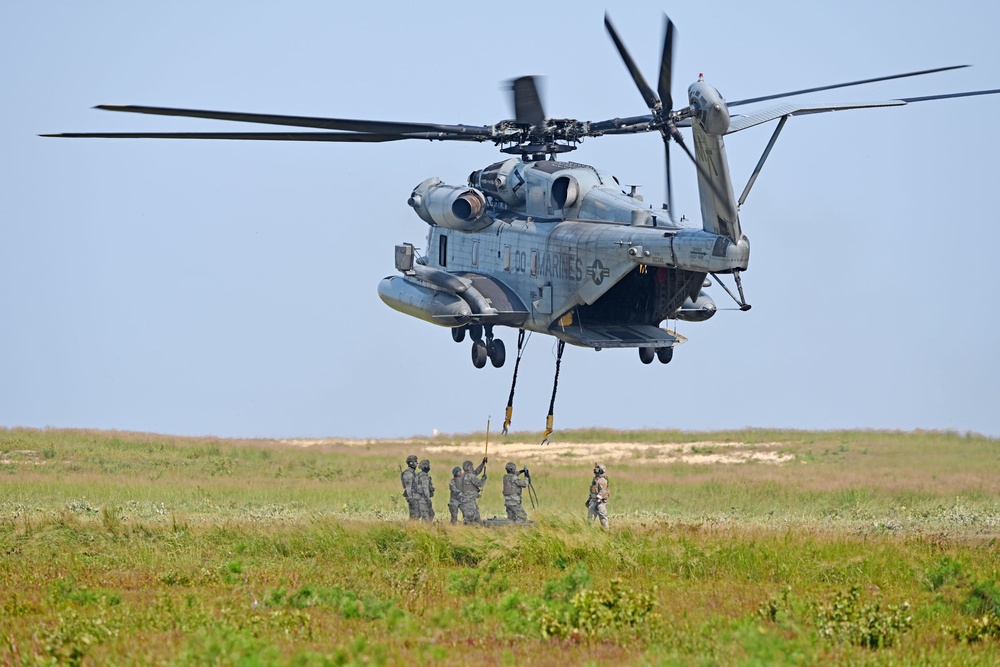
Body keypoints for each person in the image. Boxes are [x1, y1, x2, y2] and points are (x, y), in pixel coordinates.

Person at [459, 457, 488, 524]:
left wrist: (482, 464)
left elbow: (476, 472)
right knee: (470, 519)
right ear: (469, 467)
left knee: (476, 517)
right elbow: (480, 484)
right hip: (469, 501)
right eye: (472, 466)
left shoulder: (464, 475)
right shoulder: (470, 476)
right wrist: (484, 479)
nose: (473, 468)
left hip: (466, 500)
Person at [586, 463, 609, 529]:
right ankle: (589, 531)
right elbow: (593, 491)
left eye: (597, 468)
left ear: (601, 470)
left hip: (600, 502)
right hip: (593, 501)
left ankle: (606, 531)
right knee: (590, 518)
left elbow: (603, 490)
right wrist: (589, 499)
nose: (595, 470)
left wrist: (599, 498)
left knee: (603, 517)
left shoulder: (602, 480)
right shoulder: (595, 480)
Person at [400, 455, 419, 520]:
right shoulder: (408, 474)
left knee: (417, 515)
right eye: (416, 462)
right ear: (411, 463)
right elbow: (408, 487)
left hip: (415, 496)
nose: (417, 463)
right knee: (414, 516)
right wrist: (411, 499)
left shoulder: (412, 473)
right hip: (412, 497)